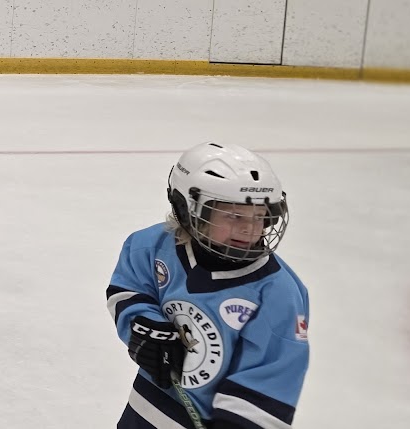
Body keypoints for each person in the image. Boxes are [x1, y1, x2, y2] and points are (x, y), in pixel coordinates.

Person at [107, 143, 308, 428]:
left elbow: (270, 378)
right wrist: (146, 327)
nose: (249, 228)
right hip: (145, 413)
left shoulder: (279, 293)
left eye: (260, 216)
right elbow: (128, 290)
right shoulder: (152, 246)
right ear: (188, 209)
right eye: (234, 215)